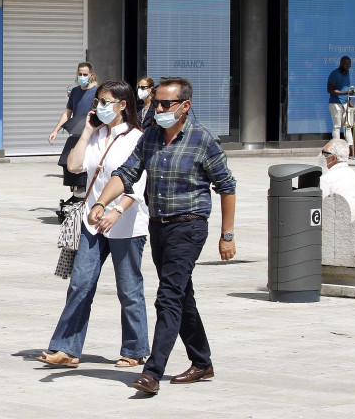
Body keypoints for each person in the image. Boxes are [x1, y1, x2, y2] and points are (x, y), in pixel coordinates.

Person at [89, 76, 237, 395]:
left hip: (190, 225)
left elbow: (227, 187)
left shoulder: (202, 140)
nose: (158, 108)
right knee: (182, 295)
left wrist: (227, 234)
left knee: (168, 296)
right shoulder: (152, 136)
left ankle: (152, 372)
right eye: (157, 102)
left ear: (185, 107)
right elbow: (126, 173)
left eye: (166, 104)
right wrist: (102, 201)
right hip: (159, 225)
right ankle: (202, 362)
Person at [39, 81, 151, 370]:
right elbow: (75, 166)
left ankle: (135, 349)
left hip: (125, 222)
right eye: (97, 101)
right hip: (92, 221)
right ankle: (66, 349)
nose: (99, 106)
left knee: (128, 289)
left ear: (123, 105)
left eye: (105, 101)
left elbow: (137, 185)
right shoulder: (96, 135)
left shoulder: (138, 137)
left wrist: (116, 210)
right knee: (80, 284)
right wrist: (87, 130)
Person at [49, 63, 98, 192]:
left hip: (91, 135)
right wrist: (56, 130)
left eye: (85, 74)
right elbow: (67, 112)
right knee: (67, 160)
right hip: (76, 133)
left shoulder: (97, 92)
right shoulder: (75, 91)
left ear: (91, 75)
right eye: (80, 74)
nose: (82, 77)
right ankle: (76, 190)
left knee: (86, 165)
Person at [327, 56, 355, 151]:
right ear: (341, 64)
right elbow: (330, 89)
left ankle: (351, 149)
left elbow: (346, 89)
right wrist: (345, 93)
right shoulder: (334, 74)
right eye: (346, 65)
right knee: (337, 126)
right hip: (335, 103)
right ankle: (337, 148)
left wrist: (350, 102)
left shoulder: (348, 74)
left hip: (345, 102)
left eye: (349, 65)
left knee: (347, 126)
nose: (347, 67)